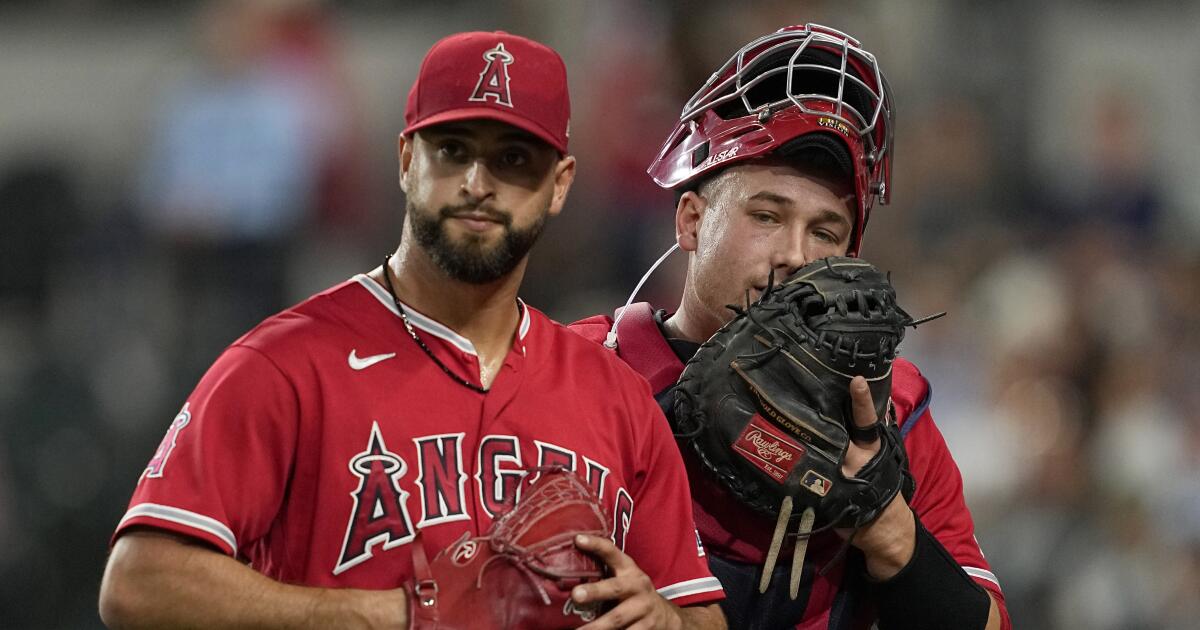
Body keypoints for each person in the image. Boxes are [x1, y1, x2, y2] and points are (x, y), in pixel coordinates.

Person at [100, 31, 725, 629]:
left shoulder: (615, 398)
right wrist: (404, 615)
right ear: (406, 160)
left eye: (512, 160)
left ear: (559, 184)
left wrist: (665, 620)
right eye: (453, 151)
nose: (478, 185)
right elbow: (138, 582)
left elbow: (700, 616)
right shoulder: (286, 363)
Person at [571, 24, 1012, 629]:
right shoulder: (577, 373)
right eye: (767, 216)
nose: (796, 257)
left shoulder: (891, 411)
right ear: (692, 221)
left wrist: (887, 528)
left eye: (825, 233)